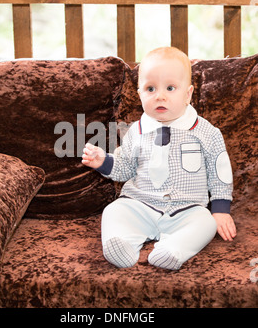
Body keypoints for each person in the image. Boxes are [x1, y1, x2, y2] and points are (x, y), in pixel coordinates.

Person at [82, 46, 236, 270]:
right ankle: (122, 244)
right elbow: (125, 167)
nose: (160, 96)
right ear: (139, 95)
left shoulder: (206, 132)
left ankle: (173, 249)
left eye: (171, 88)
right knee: (114, 211)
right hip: (141, 205)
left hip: (187, 209)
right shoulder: (135, 131)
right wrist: (103, 161)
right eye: (150, 89)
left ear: (188, 94)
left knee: (206, 223)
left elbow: (219, 171)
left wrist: (221, 209)